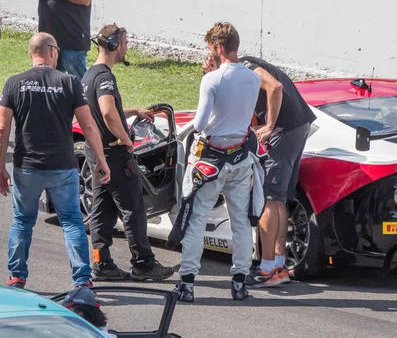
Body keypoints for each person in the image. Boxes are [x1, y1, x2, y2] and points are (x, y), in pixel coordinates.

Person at [0, 32, 110, 289]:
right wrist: (101, 160)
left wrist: (0, 167)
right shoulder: (69, 82)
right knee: (72, 221)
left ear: (32, 53)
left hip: (27, 166)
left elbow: (2, 128)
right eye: (58, 50)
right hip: (63, 166)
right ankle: (82, 280)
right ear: (51, 51)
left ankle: (17, 277)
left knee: (22, 221)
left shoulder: (14, 83)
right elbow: (89, 126)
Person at [170, 22, 262, 302]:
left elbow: (200, 123)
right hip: (240, 159)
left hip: (210, 159)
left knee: (197, 219)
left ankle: (187, 282)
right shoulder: (253, 78)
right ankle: (239, 281)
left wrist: (210, 78)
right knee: (241, 223)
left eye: (211, 48)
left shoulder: (211, 80)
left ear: (219, 48)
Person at [82, 23, 174, 282]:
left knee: (102, 209)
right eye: (124, 42)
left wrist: (133, 111)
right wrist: (126, 140)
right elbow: (107, 112)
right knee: (133, 209)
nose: (126, 47)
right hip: (116, 155)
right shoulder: (105, 78)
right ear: (114, 46)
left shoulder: (89, 75)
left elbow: (99, 113)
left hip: (97, 153)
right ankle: (143, 264)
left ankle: (102, 263)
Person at [237, 56, 316, 287]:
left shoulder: (244, 66)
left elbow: (275, 86)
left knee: (268, 197)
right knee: (279, 199)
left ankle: (267, 269)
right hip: (298, 124)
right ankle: (279, 266)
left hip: (284, 127)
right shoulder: (245, 68)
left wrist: (270, 125)